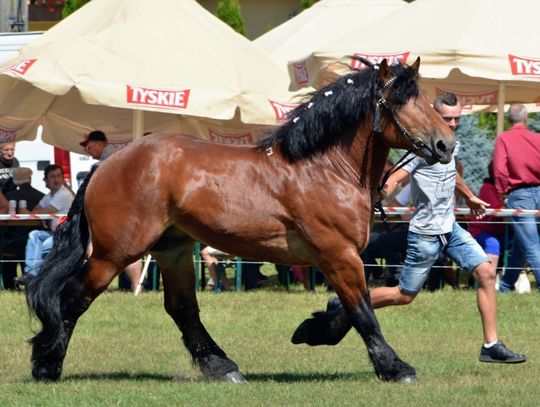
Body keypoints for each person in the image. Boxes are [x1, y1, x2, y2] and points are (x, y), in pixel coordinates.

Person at [363, 92, 525, 363]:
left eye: (457, 119)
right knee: (404, 296)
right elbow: (395, 178)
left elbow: (452, 173)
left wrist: (470, 195)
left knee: (486, 273)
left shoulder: (451, 144)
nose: (452, 124)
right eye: (447, 118)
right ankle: (351, 305)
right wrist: (384, 192)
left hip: (451, 229)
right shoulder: (420, 148)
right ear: (434, 114)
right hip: (425, 235)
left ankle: (491, 345)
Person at [81, 130, 142, 291]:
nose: (87, 149)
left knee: (127, 247)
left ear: (100, 143)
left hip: (117, 210)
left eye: (89, 145)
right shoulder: (115, 157)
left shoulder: (109, 161)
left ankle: (133, 286)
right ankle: (135, 286)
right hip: (123, 208)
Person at [493, 104, 540, 293]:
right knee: (523, 244)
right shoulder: (537, 138)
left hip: (519, 195)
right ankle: (505, 286)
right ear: (526, 118)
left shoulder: (504, 139)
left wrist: (501, 192)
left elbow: (499, 169)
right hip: (539, 192)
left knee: (531, 244)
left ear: (508, 119)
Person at [17, 164, 74, 283]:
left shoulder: (64, 194)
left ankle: (37, 278)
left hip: (67, 235)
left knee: (46, 244)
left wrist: (30, 212)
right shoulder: (50, 195)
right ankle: (30, 273)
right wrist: (34, 213)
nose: (56, 179)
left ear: (63, 178)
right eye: (52, 177)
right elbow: (36, 211)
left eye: (59, 176)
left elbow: (42, 212)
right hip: (56, 233)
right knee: (34, 235)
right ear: (46, 180)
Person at [0, 168, 45, 288]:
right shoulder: (41, 196)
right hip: (32, 243)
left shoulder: (7, 197)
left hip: (10, 243)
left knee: (8, 254)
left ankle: (10, 286)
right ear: (30, 178)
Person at [468, 161, 506, 288]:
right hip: (481, 231)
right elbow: (497, 210)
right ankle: (489, 281)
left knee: (520, 243)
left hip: (504, 231)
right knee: (493, 243)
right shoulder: (487, 187)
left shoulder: (511, 189)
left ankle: (511, 280)